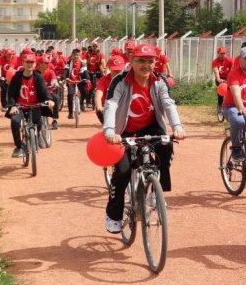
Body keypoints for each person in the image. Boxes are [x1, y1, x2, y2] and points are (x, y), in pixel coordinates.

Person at [103, 44, 185, 234]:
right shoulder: (120, 81)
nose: (145, 65)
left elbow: (168, 104)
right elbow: (111, 105)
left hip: (150, 127)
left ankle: (156, 193)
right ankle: (113, 215)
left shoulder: (159, 81)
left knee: (166, 146)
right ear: (131, 61)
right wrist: (109, 131)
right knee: (122, 171)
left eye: (150, 61)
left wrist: (177, 127)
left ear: (156, 62)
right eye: (140, 60)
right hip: (123, 131)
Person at [5, 53, 54, 158]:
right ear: (23, 63)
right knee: (15, 122)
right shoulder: (17, 77)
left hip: (34, 106)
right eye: (27, 62)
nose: (29, 64)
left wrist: (49, 100)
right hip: (19, 106)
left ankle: (36, 137)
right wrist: (12, 106)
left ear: (35, 64)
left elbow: (44, 90)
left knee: (38, 121)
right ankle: (19, 147)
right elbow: (11, 93)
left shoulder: (38, 76)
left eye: (31, 62)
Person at [94, 55, 126, 123]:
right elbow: (98, 95)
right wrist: (99, 107)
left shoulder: (127, 80)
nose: (117, 73)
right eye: (115, 70)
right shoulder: (104, 80)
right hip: (106, 110)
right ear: (109, 68)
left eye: (119, 70)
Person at [63, 49, 90, 119]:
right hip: (71, 81)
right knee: (70, 95)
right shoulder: (68, 63)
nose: (76, 57)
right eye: (74, 55)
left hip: (80, 81)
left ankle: (81, 103)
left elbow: (85, 72)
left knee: (83, 91)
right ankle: (70, 113)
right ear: (72, 56)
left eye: (77, 55)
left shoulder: (82, 63)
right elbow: (65, 71)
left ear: (80, 55)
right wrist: (64, 78)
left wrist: (87, 79)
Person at [36, 55, 60, 129]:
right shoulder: (35, 72)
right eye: (45, 63)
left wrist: (55, 83)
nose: (48, 64)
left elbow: (53, 80)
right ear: (40, 64)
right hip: (37, 94)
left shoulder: (50, 71)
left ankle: (55, 119)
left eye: (48, 63)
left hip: (48, 93)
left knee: (56, 98)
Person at [211, 46, 233, 112]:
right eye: (221, 53)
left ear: (226, 53)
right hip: (221, 78)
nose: (222, 55)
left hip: (229, 77)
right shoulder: (215, 62)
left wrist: (230, 79)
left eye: (224, 53)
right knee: (221, 89)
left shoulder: (230, 60)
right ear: (218, 53)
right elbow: (216, 71)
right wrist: (218, 79)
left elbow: (232, 70)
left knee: (233, 90)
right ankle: (220, 105)